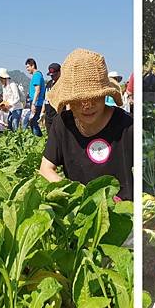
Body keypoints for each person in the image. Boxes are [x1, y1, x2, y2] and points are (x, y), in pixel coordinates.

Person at [39, 48, 133, 201]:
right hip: (80, 213)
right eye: (79, 99)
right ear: (68, 100)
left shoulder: (128, 126)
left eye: (94, 97)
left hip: (124, 214)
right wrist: (79, 195)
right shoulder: (62, 124)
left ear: (104, 95)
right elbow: (45, 169)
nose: (87, 105)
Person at [25, 58, 45, 137]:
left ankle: (38, 139)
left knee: (33, 122)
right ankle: (37, 139)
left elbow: (37, 90)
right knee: (33, 122)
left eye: (28, 67)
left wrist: (33, 104)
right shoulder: (37, 75)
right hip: (35, 102)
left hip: (36, 103)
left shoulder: (36, 75)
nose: (27, 69)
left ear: (33, 65)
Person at [42, 63, 61, 133]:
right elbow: (46, 99)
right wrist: (42, 112)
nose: (52, 77)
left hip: (58, 115)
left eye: (54, 75)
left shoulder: (62, 84)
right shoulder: (49, 83)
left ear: (60, 72)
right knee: (50, 137)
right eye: (51, 75)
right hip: (48, 114)